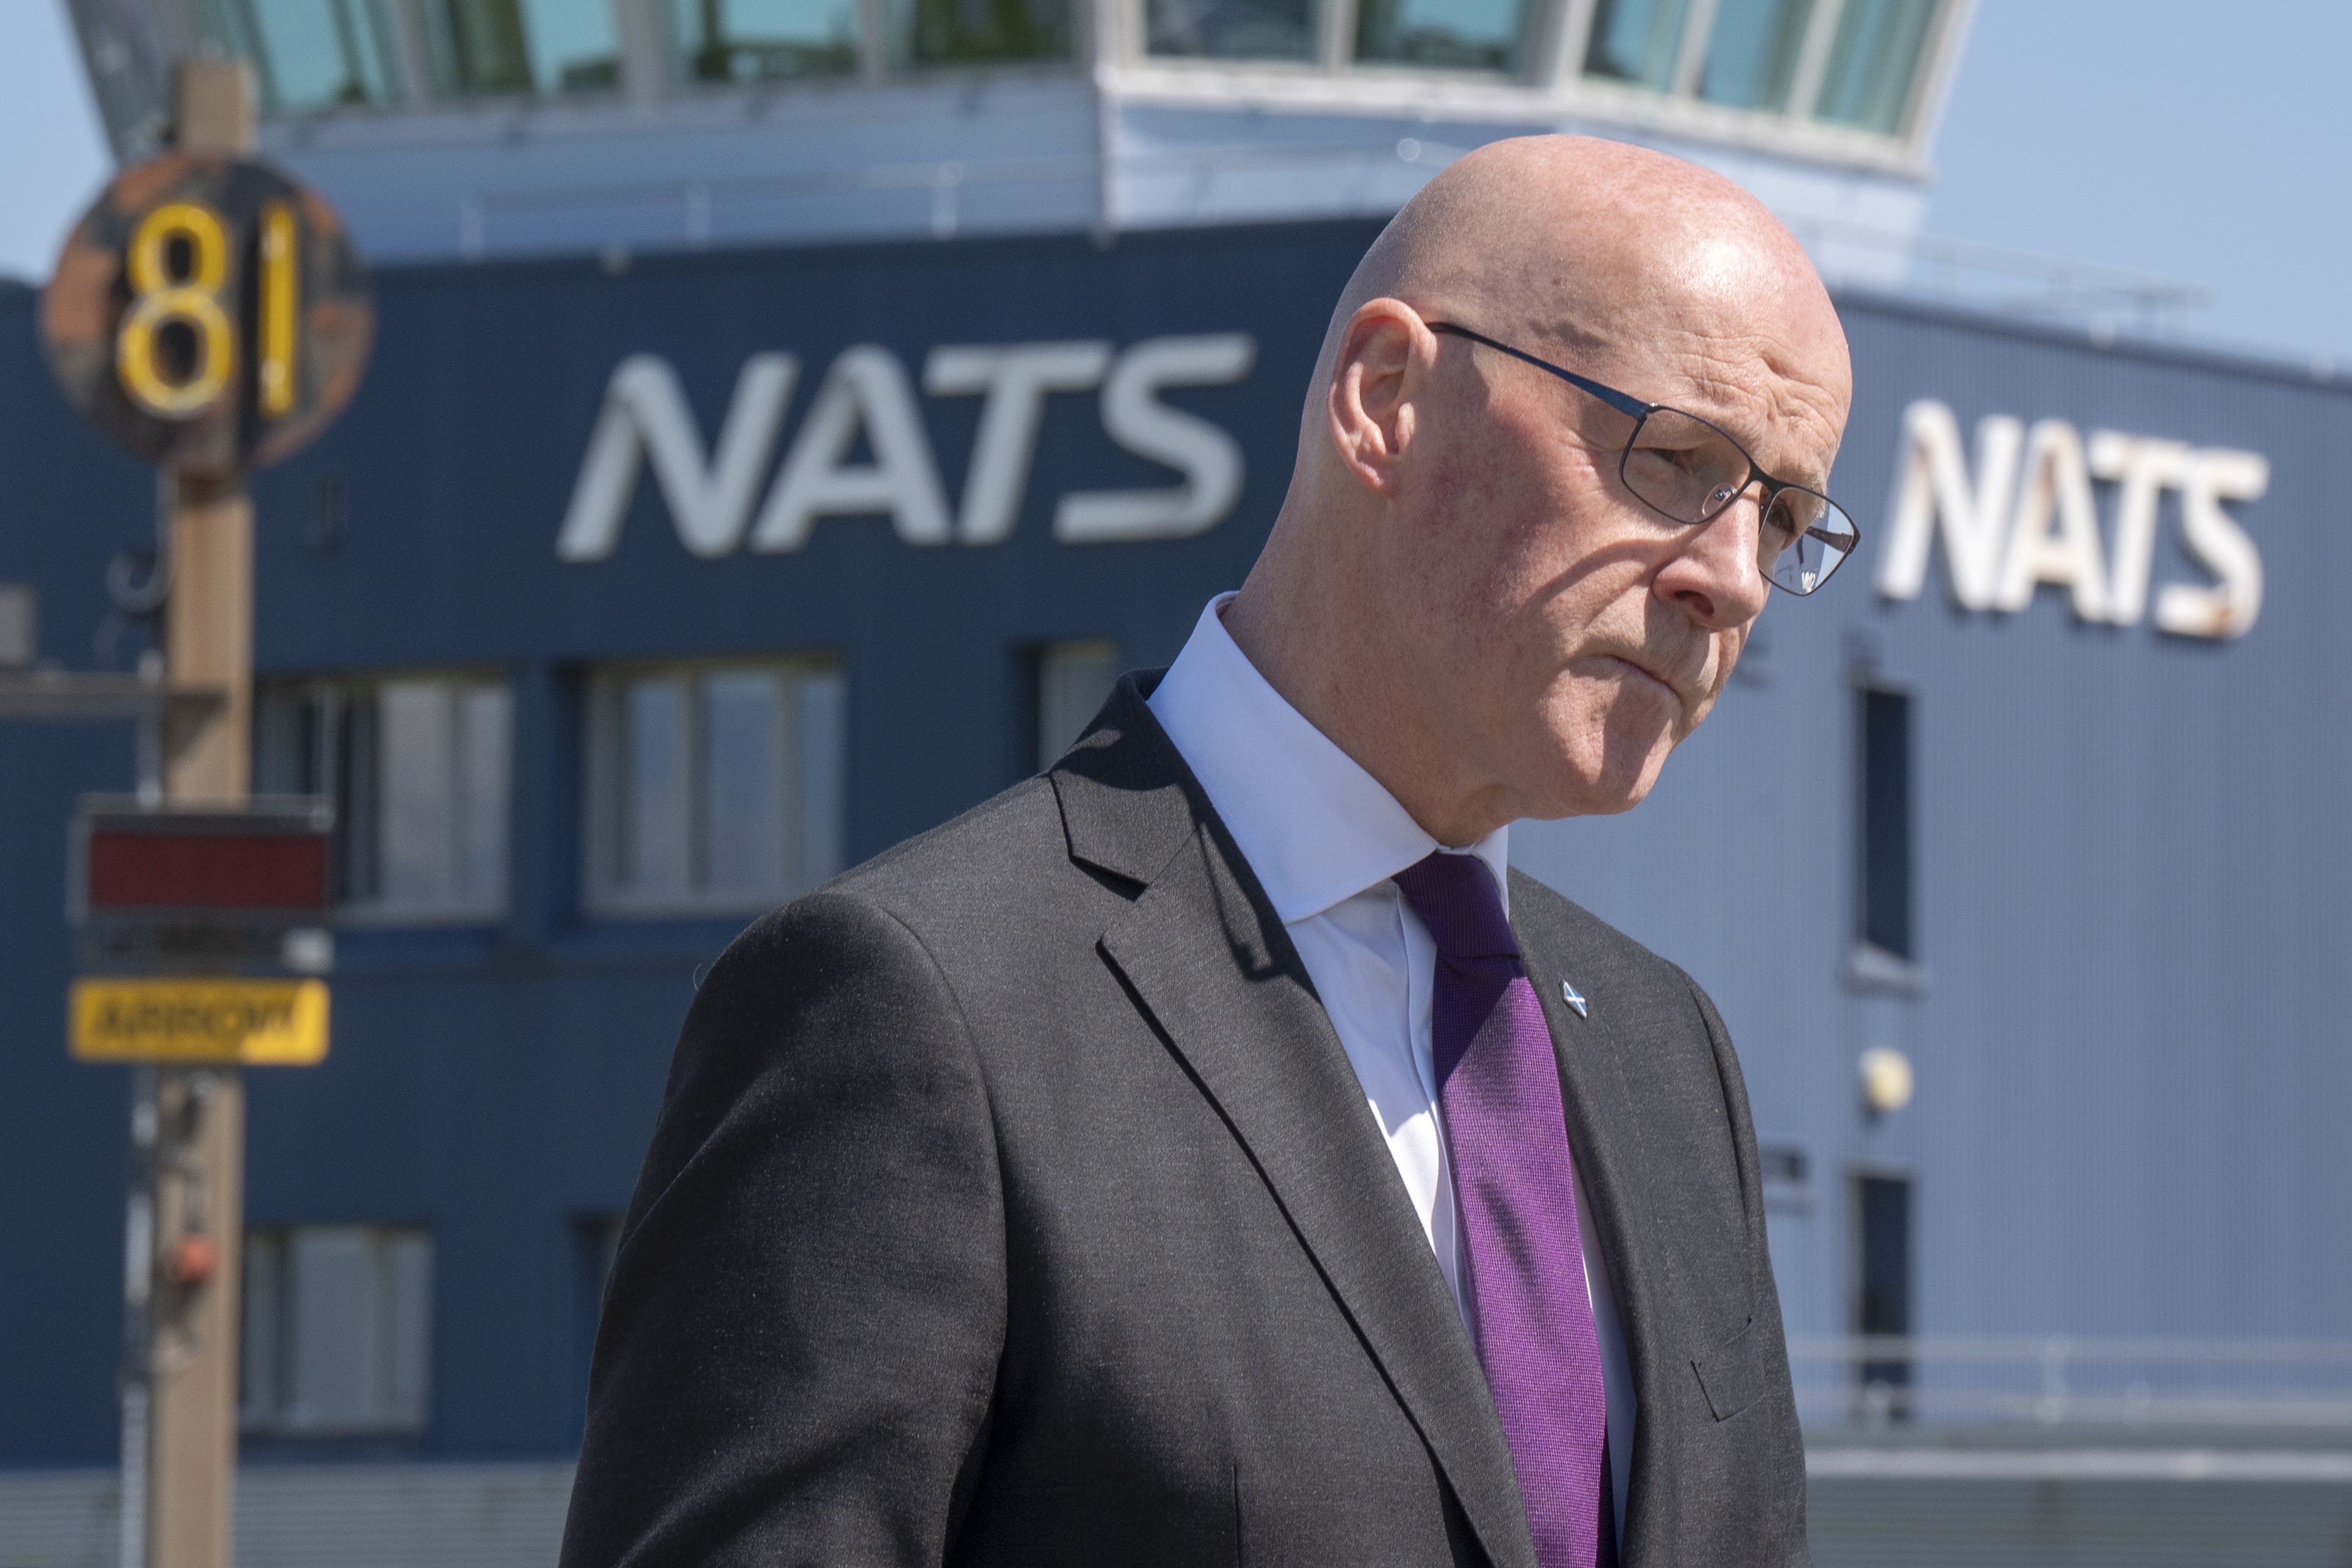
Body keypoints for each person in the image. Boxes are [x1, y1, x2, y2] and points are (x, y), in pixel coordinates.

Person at [560, 133, 1855, 1568]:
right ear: (1386, 401)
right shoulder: (915, 1011)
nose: (1731, 579)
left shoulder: (1668, 1057)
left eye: (1785, 515)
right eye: (1678, 462)